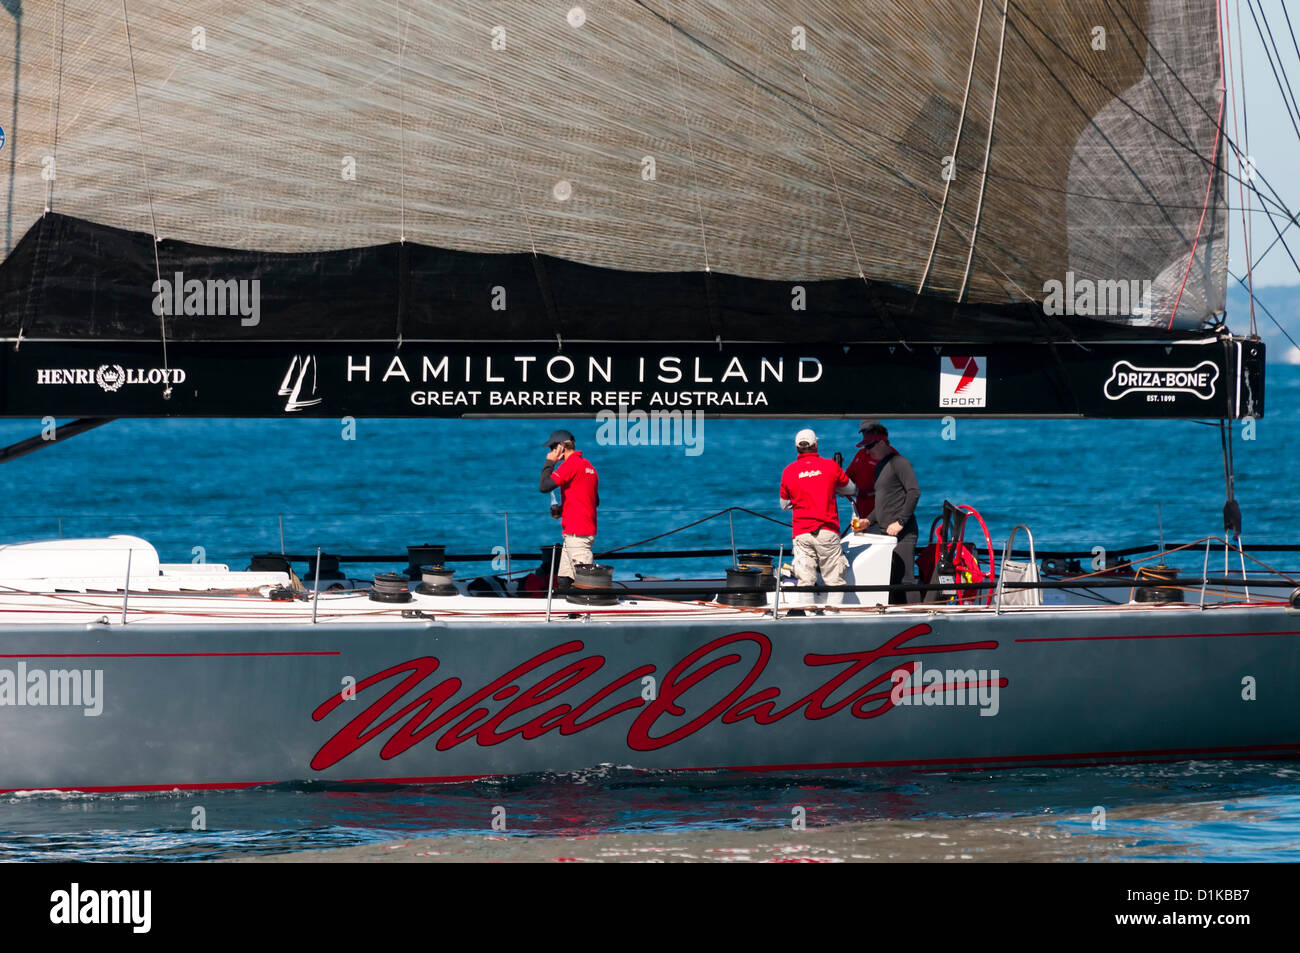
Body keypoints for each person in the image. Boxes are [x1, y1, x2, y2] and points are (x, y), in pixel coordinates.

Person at [779, 428, 856, 610]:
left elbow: (784, 504)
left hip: (802, 533)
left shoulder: (789, 471)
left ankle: (809, 616)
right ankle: (832, 616)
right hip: (827, 531)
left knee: (805, 579)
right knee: (834, 579)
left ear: (797, 448)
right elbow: (851, 489)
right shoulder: (830, 466)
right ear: (816, 445)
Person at [857, 421, 921, 604]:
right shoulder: (880, 467)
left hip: (904, 533)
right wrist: (868, 521)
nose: (867, 452)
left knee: (906, 579)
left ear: (883, 442)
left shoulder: (899, 462)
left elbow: (914, 492)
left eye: (869, 446)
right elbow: (883, 504)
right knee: (891, 579)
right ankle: (898, 617)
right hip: (885, 533)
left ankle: (919, 617)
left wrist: (901, 522)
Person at [538, 429, 599, 587]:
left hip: (577, 533)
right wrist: (563, 509)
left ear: (561, 447)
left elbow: (544, 486)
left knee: (586, 582)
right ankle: (569, 611)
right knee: (564, 580)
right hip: (579, 533)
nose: (551, 452)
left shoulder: (570, 465)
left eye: (552, 448)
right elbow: (592, 500)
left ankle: (586, 611)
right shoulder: (588, 466)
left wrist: (549, 463)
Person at [844, 419, 879, 524]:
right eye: (864, 433)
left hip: (882, 519)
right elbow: (846, 480)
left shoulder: (889, 455)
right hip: (861, 517)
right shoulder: (860, 455)